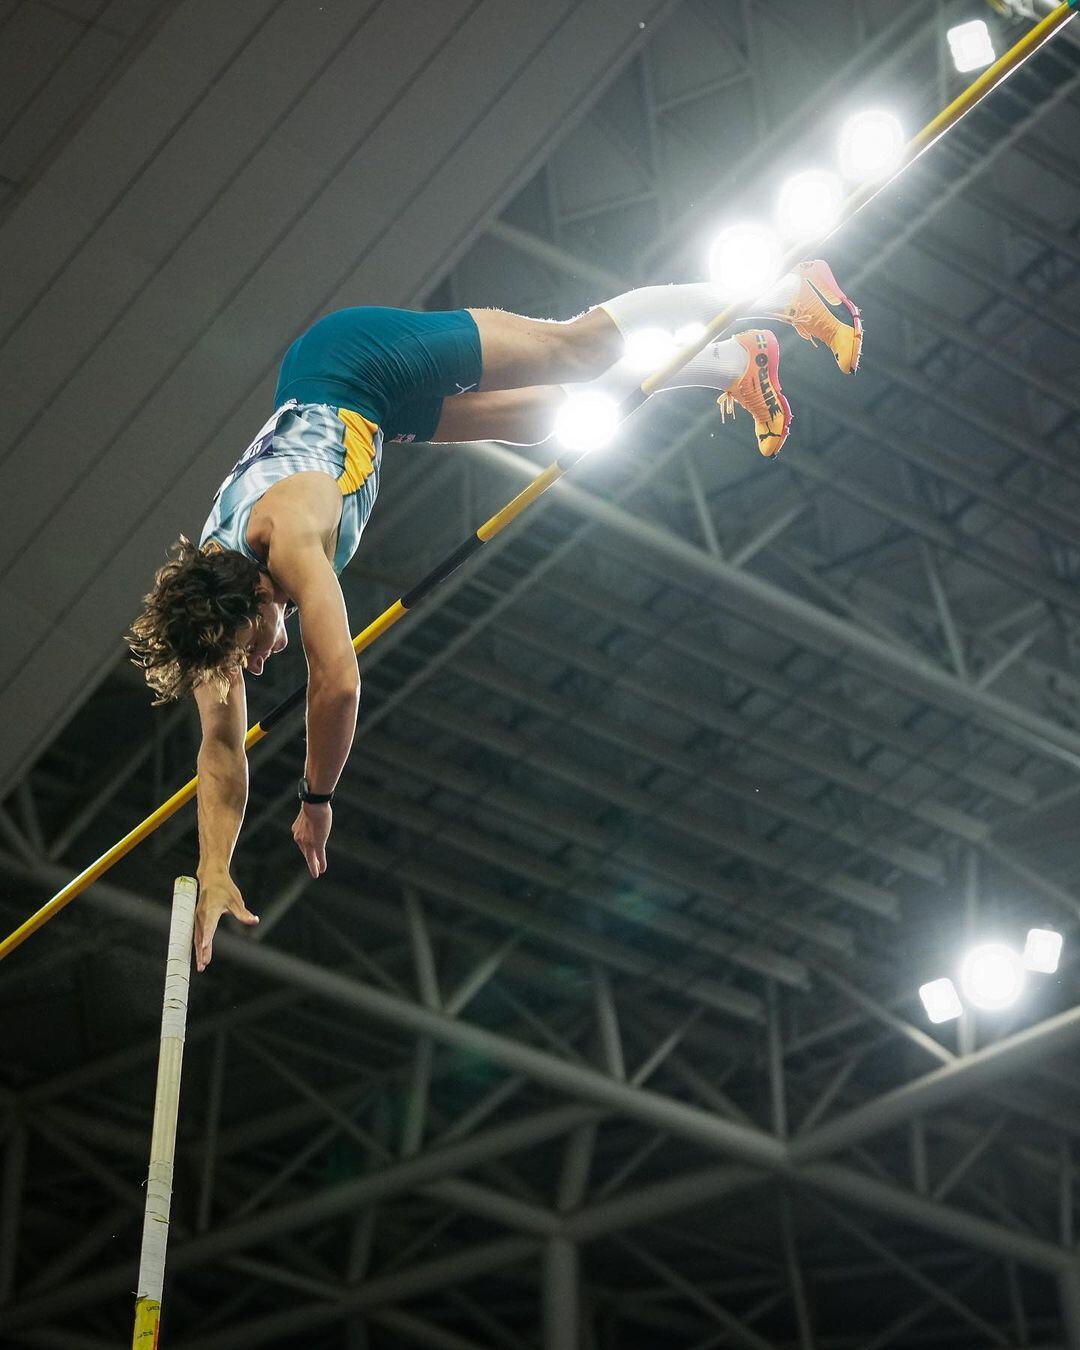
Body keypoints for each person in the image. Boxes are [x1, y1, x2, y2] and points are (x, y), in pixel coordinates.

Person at [127, 259, 861, 971]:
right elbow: (221, 752)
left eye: (249, 651)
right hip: (361, 410)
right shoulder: (214, 619)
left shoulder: (285, 537)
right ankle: (736, 362)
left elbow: (338, 686)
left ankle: (789, 292)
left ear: (254, 593)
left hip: (353, 361)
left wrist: (316, 799)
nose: (255, 665)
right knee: (541, 416)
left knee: (576, 350)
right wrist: (213, 866)